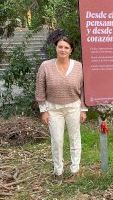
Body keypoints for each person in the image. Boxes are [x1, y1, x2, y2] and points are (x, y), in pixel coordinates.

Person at [35, 36, 87, 183]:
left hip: (73, 107)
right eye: (60, 47)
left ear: (71, 50)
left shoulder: (78, 66)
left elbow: (84, 89)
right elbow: (40, 88)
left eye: (66, 47)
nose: (63, 49)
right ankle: (58, 171)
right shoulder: (45, 66)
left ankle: (74, 170)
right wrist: (43, 110)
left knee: (74, 139)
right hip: (53, 109)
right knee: (57, 141)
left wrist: (83, 109)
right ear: (56, 48)